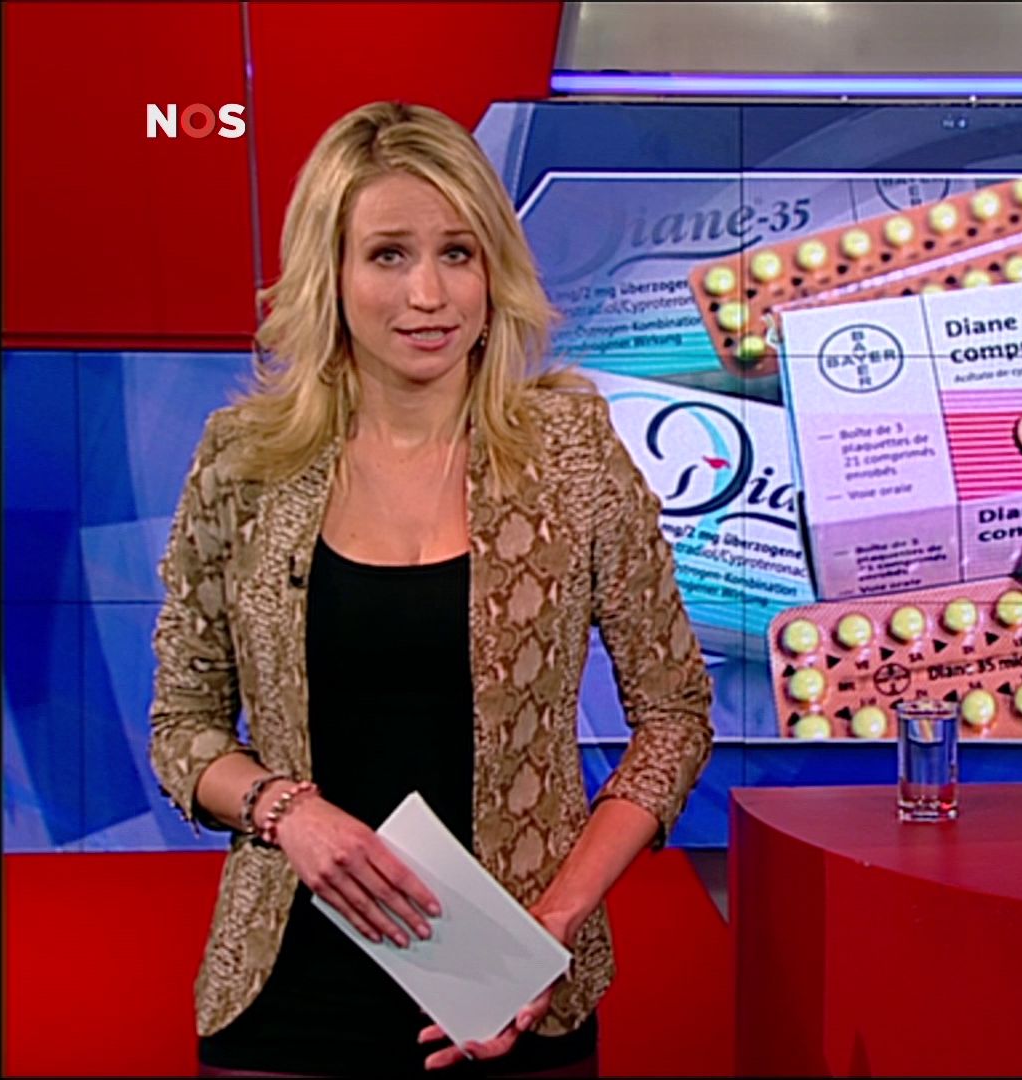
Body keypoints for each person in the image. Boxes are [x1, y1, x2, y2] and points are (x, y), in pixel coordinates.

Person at [147, 100, 714, 1077]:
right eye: (388, 255)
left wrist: (553, 925)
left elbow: (674, 717)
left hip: (514, 991)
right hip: (292, 997)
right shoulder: (243, 464)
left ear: (495, 268)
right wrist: (287, 811)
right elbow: (182, 727)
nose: (428, 294)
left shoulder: (573, 453)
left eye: (457, 252)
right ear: (331, 273)